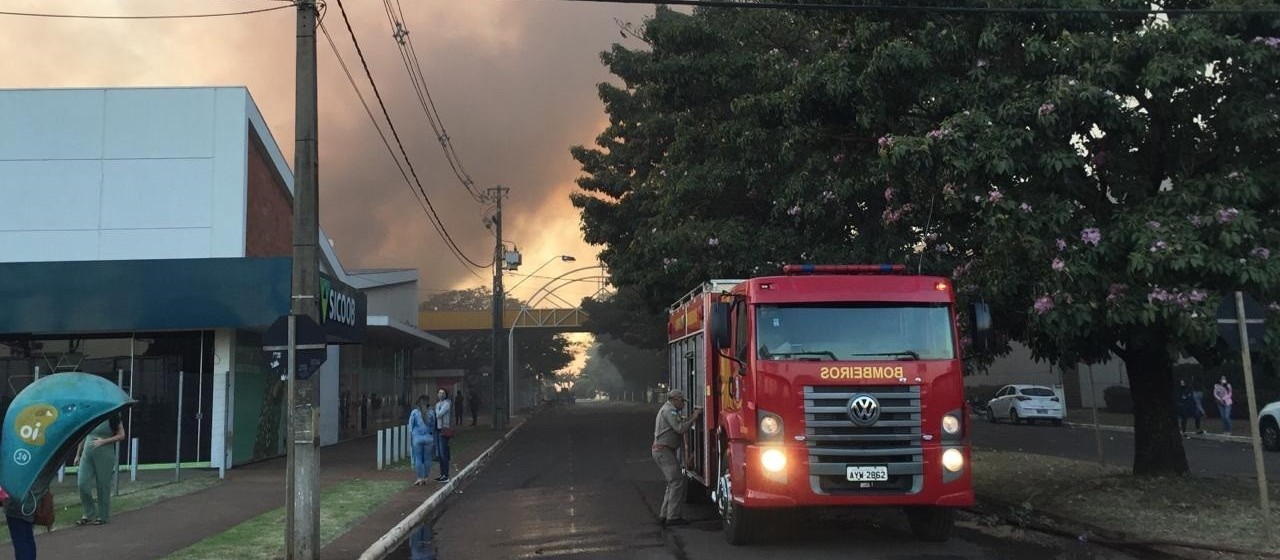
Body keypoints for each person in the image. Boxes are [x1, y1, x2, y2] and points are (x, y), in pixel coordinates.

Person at [652, 389, 701, 527]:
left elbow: (679, 424)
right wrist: (694, 418)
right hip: (663, 451)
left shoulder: (669, 410)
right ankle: (673, 517)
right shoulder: (669, 411)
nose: (683, 404)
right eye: (682, 401)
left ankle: (664, 515)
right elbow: (680, 428)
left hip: (663, 450)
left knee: (672, 483)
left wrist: (689, 418)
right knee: (677, 481)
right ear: (674, 400)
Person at [74, 414, 125, 525]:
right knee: (82, 484)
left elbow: (121, 435)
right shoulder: (92, 415)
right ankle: (89, 513)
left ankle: (103, 516)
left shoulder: (113, 417)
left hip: (105, 455)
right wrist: (78, 454)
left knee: (103, 485)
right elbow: (83, 436)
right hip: (87, 455)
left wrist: (104, 441)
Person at [408, 395, 436, 485]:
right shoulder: (431, 412)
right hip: (428, 438)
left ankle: (419, 478)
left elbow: (411, 426)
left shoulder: (414, 413)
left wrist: (413, 435)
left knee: (418, 458)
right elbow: (433, 425)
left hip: (417, 438)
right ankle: (426, 478)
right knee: (427, 458)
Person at [434, 388, 453, 482]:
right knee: (439, 454)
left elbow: (439, 415)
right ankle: (442, 474)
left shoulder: (447, 403)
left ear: (445, 395)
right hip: (438, 430)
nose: (440, 394)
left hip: (444, 430)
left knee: (443, 453)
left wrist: (437, 409)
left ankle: (446, 475)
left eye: (442, 393)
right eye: (439, 392)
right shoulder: (438, 404)